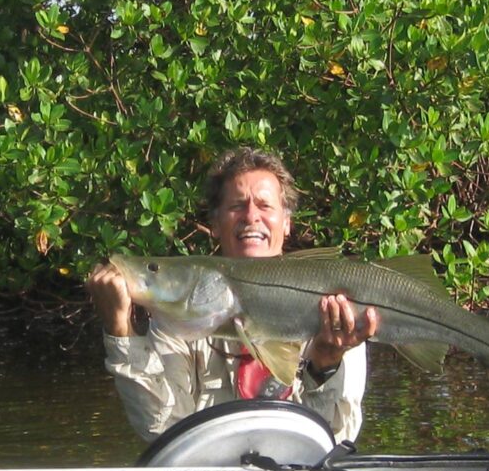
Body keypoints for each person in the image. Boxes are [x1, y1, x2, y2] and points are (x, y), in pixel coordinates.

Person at [86, 147, 378, 442]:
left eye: (265, 205)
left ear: (287, 223)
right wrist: (120, 330)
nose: (251, 216)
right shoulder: (177, 322)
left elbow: (338, 438)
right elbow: (162, 430)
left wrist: (325, 365)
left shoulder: (337, 308)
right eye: (237, 205)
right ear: (214, 224)